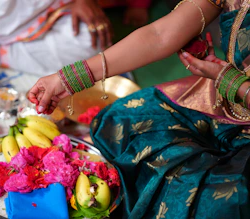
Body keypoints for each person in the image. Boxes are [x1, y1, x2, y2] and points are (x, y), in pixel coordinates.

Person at [27, 0, 250, 218]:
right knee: (119, 119)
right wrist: (68, 79)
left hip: (239, 111)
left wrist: (234, 83)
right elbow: (159, 35)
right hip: (218, 102)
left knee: (208, 196)